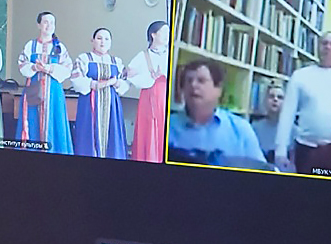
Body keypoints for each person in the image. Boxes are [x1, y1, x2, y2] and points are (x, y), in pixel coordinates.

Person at [274, 31, 331, 174]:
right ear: (317, 47)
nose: (328, 47)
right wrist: (280, 150)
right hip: (306, 148)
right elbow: (287, 114)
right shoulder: (300, 76)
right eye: (324, 43)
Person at [167, 59, 265, 166]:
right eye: (189, 81)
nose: (193, 85)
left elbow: (261, 171)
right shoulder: (166, 126)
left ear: (218, 90)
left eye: (201, 81)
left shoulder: (240, 129)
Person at [16, 12, 73, 154]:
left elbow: (67, 69)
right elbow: (22, 64)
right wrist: (34, 67)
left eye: (52, 22)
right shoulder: (31, 45)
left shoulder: (59, 47)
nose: (49, 25)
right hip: (34, 89)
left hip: (53, 91)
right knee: (32, 121)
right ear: (39, 25)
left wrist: (49, 68)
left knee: (55, 121)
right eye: (46, 22)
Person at [72, 27, 129, 159]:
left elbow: (125, 82)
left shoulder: (116, 61)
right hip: (89, 103)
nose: (103, 42)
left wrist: (116, 82)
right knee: (88, 133)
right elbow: (77, 79)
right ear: (92, 41)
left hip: (111, 104)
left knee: (112, 133)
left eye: (107, 39)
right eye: (99, 38)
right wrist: (97, 84)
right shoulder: (84, 59)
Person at [125, 20, 170, 163]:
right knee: (149, 129)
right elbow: (130, 75)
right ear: (153, 35)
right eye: (163, 32)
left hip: (166, 96)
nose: (167, 36)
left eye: (168, 33)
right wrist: (150, 76)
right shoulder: (142, 56)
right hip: (149, 97)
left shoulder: (170, 54)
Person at [250, 82, 286, 162]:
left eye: (280, 97)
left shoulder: (293, 132)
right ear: (265, 100)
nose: (275, 99)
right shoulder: (254, 128)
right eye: (271, 96)